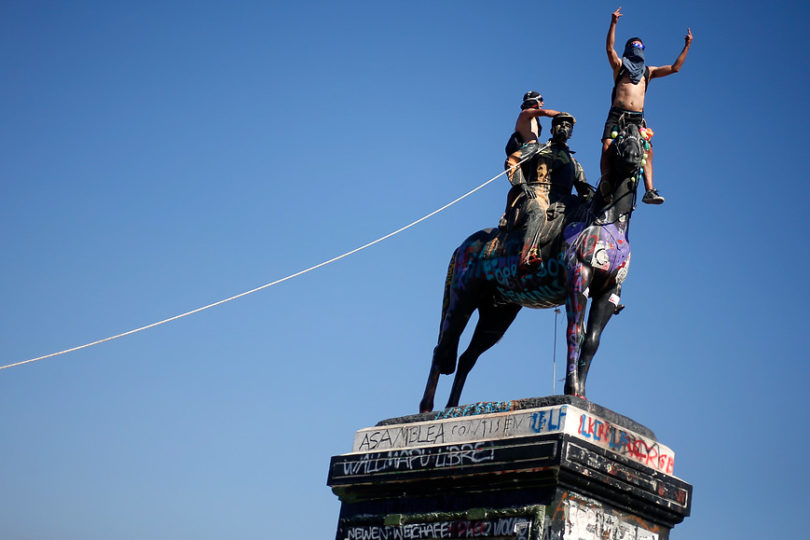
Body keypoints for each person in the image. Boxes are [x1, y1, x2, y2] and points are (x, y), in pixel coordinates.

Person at [601, 7, 693, 204]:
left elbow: (675, 68)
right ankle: (606, 181)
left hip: (637, 117)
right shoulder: (620, 67)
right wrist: (614, 23)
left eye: (640, 46)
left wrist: (687, 46)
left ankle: (649, 190)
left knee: (648, 150)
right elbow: (610, 49)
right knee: (607, 144)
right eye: (634, 46)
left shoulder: (648, 72)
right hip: (617, 115)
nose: (637, 49)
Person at [503, 109, 592, 270]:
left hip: (563, 200)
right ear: (552, 130)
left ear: (571, 132)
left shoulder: (574, 163)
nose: (563, 128)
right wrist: (521, 183)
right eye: (559, 125)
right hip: (537, 193)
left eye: (567, 126)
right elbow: (512, 159)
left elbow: (583, 187)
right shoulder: (537, 148)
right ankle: (527, 255)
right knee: (537, 211)